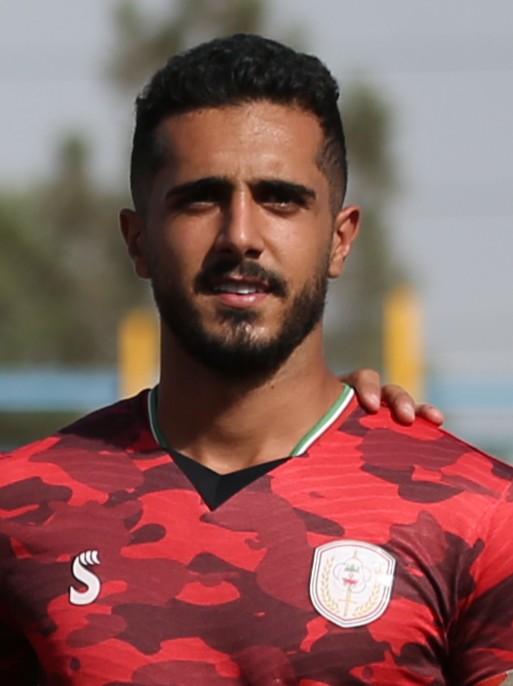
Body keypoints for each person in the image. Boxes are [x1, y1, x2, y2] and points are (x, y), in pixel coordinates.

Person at [0, 33, 509, 686]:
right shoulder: (19, 508)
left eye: (280, 199)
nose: (240, 235)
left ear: (339, 239)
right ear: (138, 241)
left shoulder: (478, 512)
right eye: (200, 198)